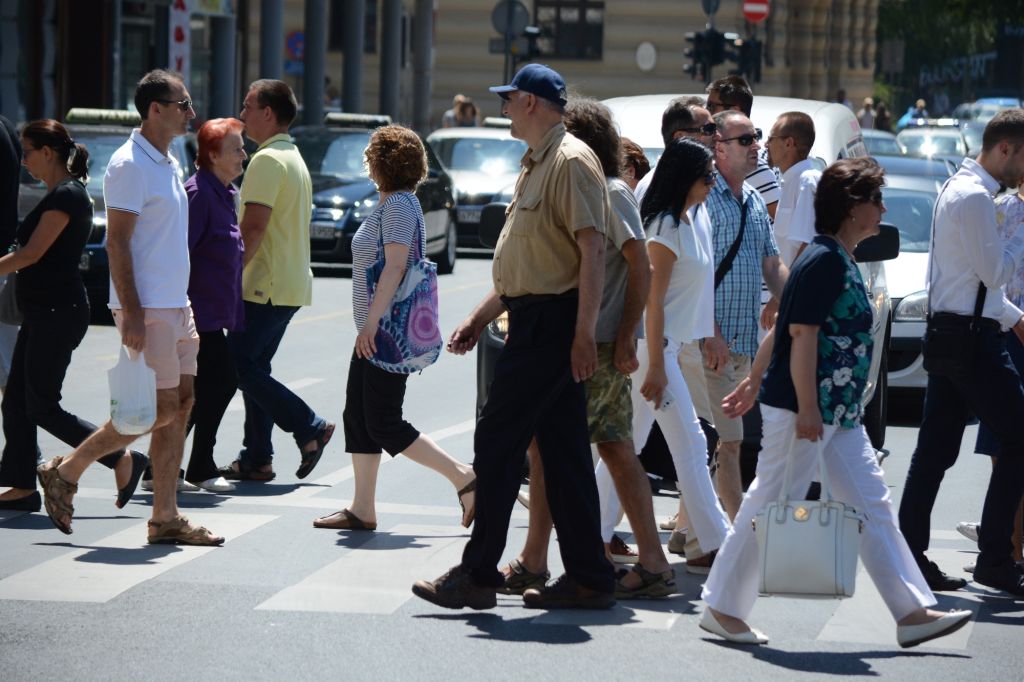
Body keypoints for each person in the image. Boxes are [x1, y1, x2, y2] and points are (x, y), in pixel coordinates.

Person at [700, 157, 972, 649]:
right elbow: (800, 333)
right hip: (811, 411)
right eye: (876, 200)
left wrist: (758, 379)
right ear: (852, 209)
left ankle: (912, 611)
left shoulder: (832, 255)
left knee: (872, 506)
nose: (883, 209)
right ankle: (721, 607)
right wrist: (803, 406)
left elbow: (783, 326)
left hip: (836, 413)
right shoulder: (824, 258)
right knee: (770, 501)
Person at [412, 63, 616, 610]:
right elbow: (530, 262)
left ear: (531, 103)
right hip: (536, 320)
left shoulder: (570, 161)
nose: (502, 108)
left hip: (553, 326)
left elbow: (592, 251)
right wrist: (480, 317)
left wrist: (582, 333)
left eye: (508, 99)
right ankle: (592, 577)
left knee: (497, 443)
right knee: (565, 454)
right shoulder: (539, 162)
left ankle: (478, 573)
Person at [36, 69, 223, 545]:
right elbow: (117, 243)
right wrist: (134, 313)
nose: (191, 113)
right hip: (148, 308)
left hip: (175, 306)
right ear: (155, 109)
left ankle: (165, 517)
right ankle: (68, 469)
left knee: (180, 406)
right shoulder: (128, 165)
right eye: (183, 104)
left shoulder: (167, 161)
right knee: (154, 409)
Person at [499, 97, 672, 599]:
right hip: (577, 340)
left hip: (593, 344)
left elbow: (642, 267)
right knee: (557, 449)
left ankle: (650, 562)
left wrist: (624, 336)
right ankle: (536, 560)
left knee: (606, 449)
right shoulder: (589, 185)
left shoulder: (610, 191)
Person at [312, 125, 476, 531]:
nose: (366, 161)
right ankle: (362, 508)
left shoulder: (400, 205)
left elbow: (397, 264)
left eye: (370, 155)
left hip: (386, 332)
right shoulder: (390, 203)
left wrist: (369, 323)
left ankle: (464, 476)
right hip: (374, 331)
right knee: (359, 416)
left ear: (380, 162)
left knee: (383, 421)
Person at [898, 109, 1024, 597]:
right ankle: (995, 558)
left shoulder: (960, 188)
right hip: (970, 339)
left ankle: (911, 554)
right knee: (1017, 438)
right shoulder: (974, 197)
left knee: (933, 450)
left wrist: (1012, 317)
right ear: (1005, 149)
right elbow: (994, 273)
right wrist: (1019, 234)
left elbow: (975, 282)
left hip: (955, 332)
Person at [0, 121, 146, 512]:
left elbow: (31, 254)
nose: (24, 160)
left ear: (46, 152)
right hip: (42, 311)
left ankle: (122, 458)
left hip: (57, 314)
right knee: (15, 402)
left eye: (27, 151)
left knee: (42, 406)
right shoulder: (59, 193)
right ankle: (19, 485)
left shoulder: (67, 196)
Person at [220, 79, 334, 482]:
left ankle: (310, 427)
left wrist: (227, 278)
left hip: (264, 285)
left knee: (237, 368)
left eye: (248, 106)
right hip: (286, 284)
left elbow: (253, 229)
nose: (242, 113)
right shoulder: (292, 156)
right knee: (255, 369)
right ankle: (257, 457)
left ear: (268, 113)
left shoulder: (267, 161)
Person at [632, 137, 733, 575]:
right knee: (691, 443)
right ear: (685, 177)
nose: (714, 180)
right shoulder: (665, 227)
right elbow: (652, 303)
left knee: (628, 445)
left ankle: (592, 528)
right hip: (651, 349)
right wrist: (655, 364)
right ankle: (716, 541)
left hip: (665, 348)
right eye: (708, 173)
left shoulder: (694, 218)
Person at [703, 110, 787, 523]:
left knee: (701, 439)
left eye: (756, 138)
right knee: (730, 440)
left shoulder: (754, 199)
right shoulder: (703, 198)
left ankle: (692, 532)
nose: (756, 146)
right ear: (718, 147)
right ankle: (737, 535)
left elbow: (772, 266)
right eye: (745, 140)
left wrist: (799, 301)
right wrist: (711, 332)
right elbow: (696, 275)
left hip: (741, 347)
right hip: (707, 345)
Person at [180, 118, 247, 492]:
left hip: (214, 312)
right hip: (195, 313)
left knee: (204, 386)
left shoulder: (226, 192)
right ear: (212, 155)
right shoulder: (198, 194)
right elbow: (181, 255)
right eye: (236, 149)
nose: (243, 155)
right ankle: (198, 464)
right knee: (220, 382)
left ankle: (165, 465)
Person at [706, 76, 780, 220]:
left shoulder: (751, 161)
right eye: (746, 140)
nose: (707, 111)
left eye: (712, 106)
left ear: (734, 110)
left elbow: (781, 224)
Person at [633, 97, 716, 204]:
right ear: (680, 137)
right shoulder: (655, 188)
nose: (717, 135)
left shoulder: (698, 187)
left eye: (715, 128)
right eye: (709, 129)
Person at [765, 112, 819, 268]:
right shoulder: (791, 181)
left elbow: (807, 246)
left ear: (788, 143)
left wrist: (787, 290)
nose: (765, 144)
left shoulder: (807, 182)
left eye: (770, 139)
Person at [0, 115, 20, 397]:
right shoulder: (6, 126)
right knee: (8, 369)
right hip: (4, 257)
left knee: (7, 371)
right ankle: (22, 441)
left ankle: (23, 441)